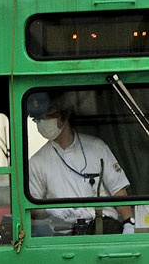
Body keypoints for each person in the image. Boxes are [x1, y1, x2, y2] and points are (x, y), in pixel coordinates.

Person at [28, 95, 134, 235]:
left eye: (47, 116)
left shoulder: (96, 147)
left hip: (103, 227)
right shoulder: (37, 161)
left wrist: (128, 222)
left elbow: (118, 189)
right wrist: (49, 210)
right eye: (37, 119)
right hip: (65, 233)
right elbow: (31, 208)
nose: (42, 123)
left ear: (65, 114)